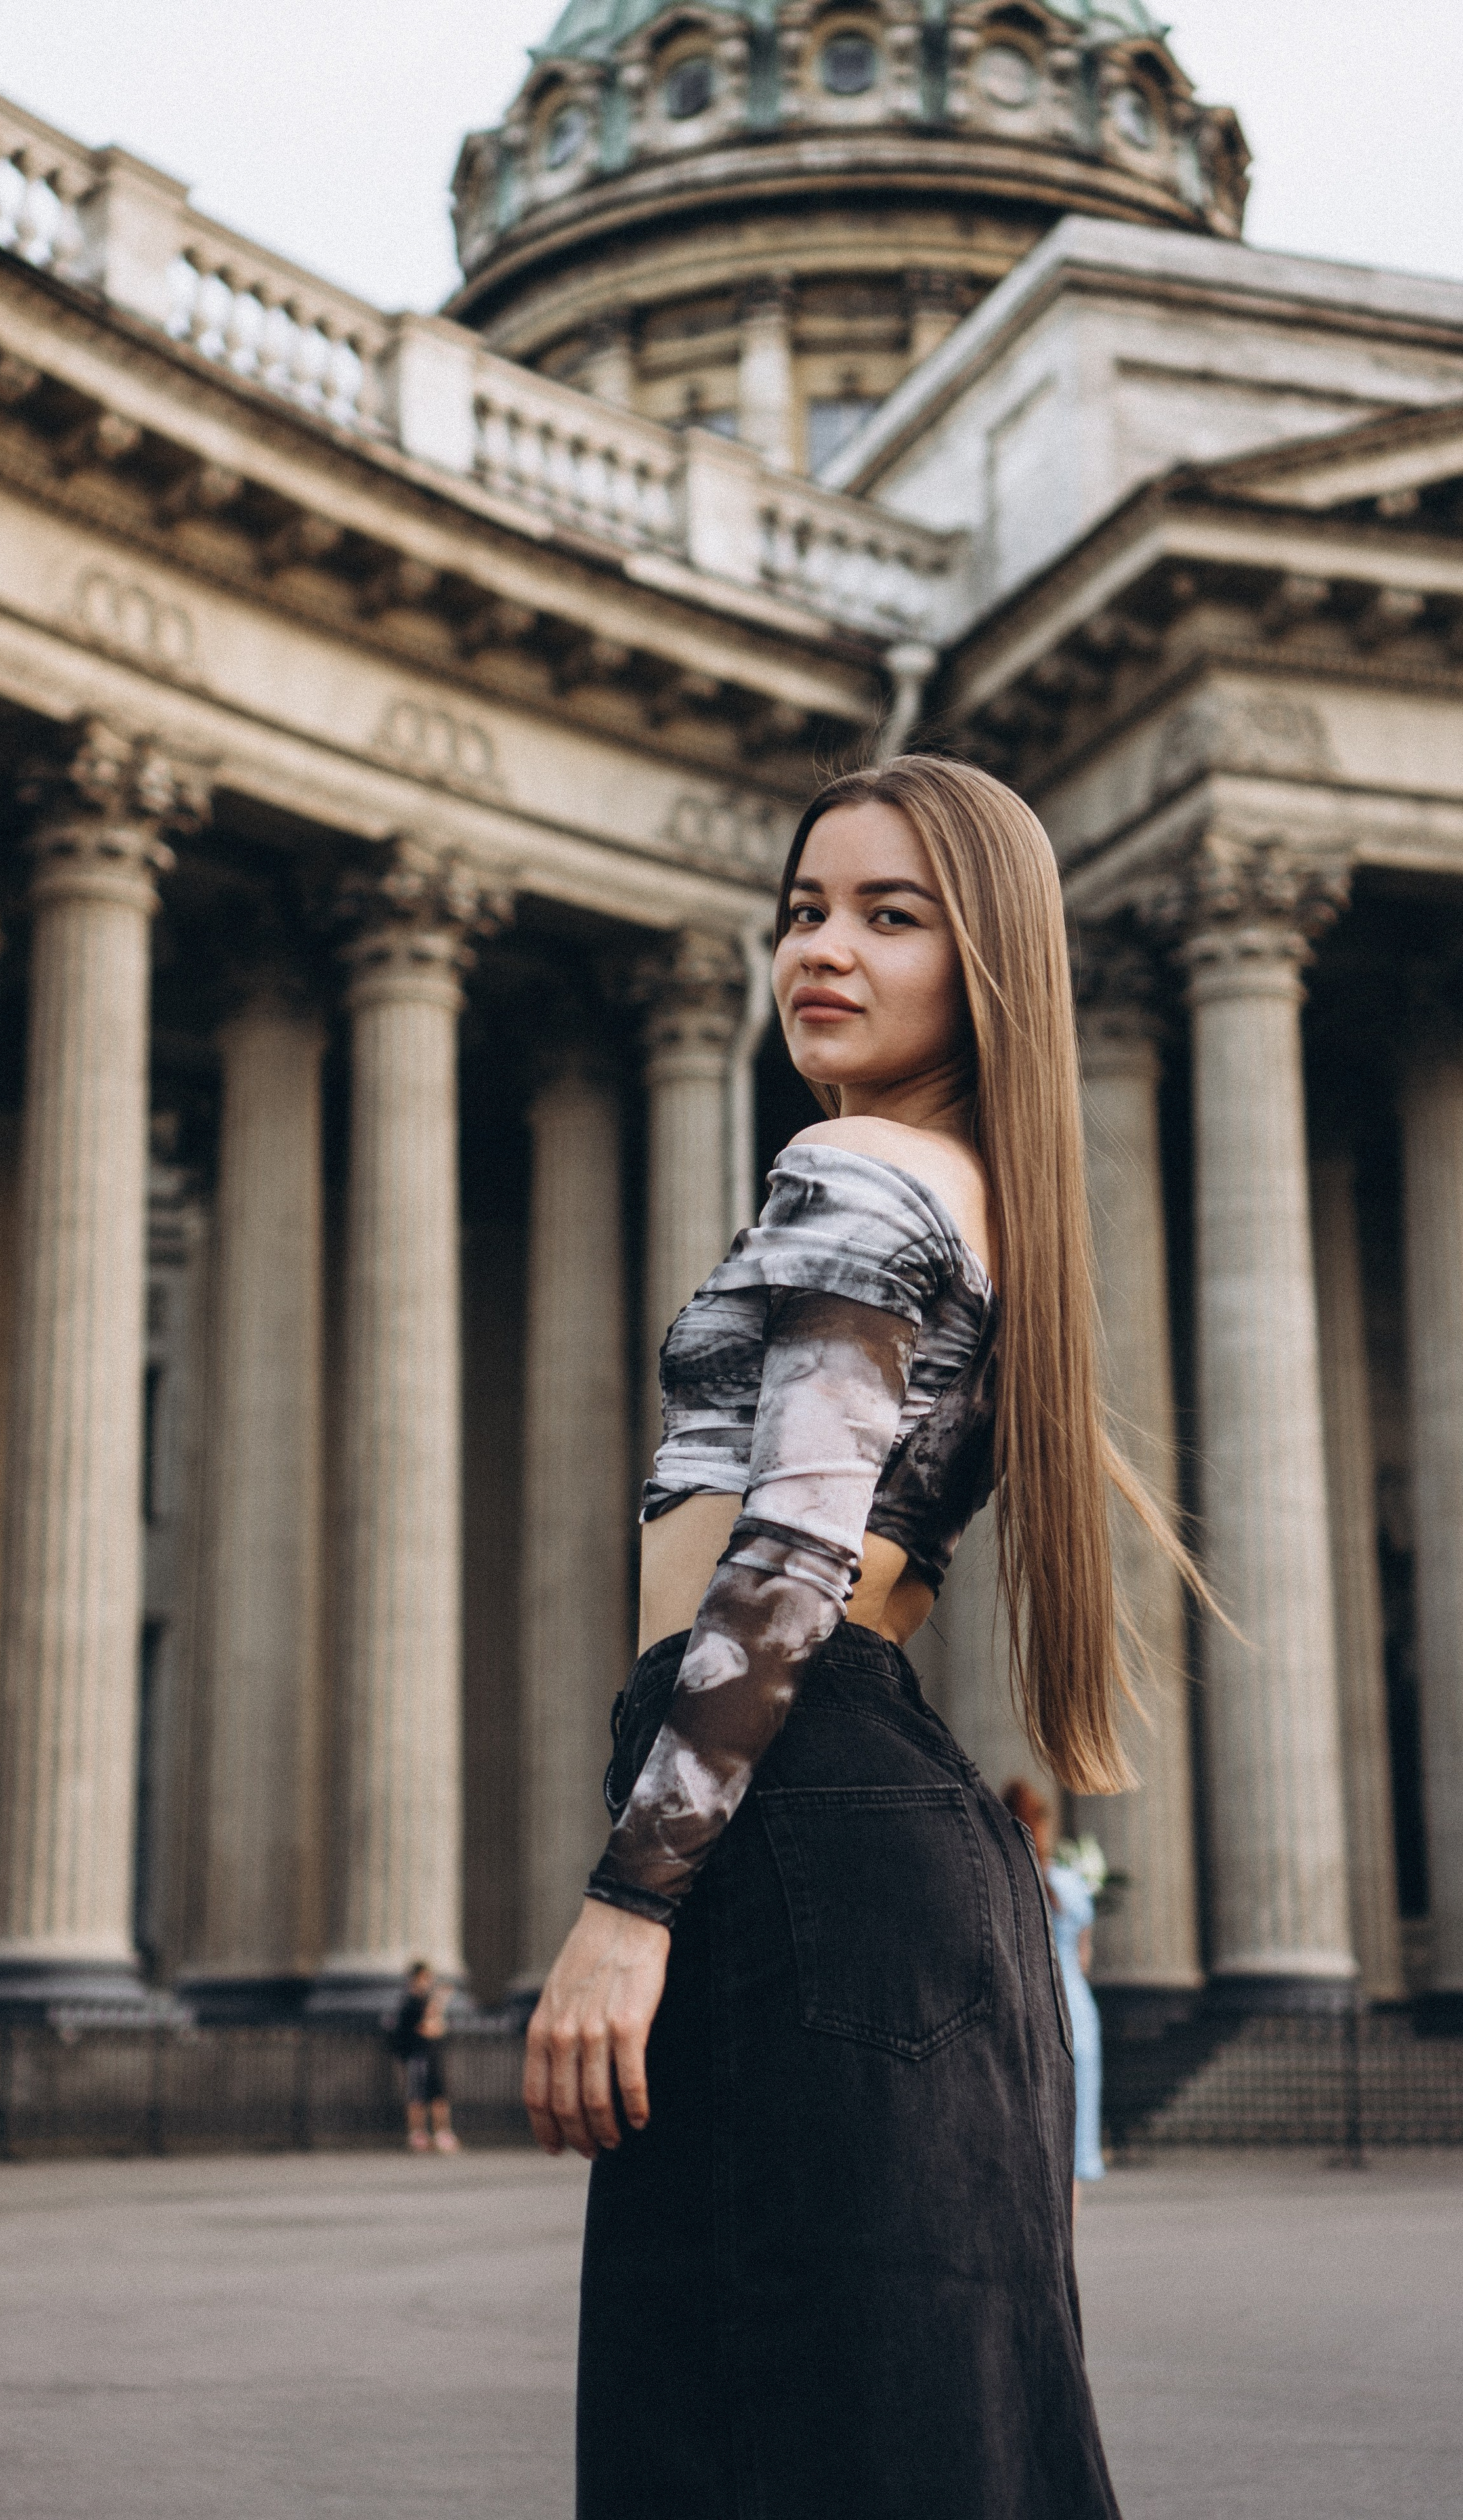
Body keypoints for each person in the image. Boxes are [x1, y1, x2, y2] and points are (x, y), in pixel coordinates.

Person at [525, 755, 1202, 2519]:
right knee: (915, 2435)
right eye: (805, 910)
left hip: (786, 1813)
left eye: (891, 916)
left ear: (984, 960)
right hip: (880, 1839)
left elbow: (797, 1552)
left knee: (745, 2437)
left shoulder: (857, 1163)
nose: (822, 950)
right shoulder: (987, 1194)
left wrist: (631, 1897)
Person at [1004, 1779, 1107, 2201]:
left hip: (1027, 2016)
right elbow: (1083, 1960)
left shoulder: (1007, 1883)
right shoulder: (1070, 1885)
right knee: (1073, 2158)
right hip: (1076, 2015)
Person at [391, 1961, 460, 2155]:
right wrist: (441, 1999)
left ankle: (442, 2133)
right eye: (425, 1978)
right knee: (417, 2096)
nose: (429, 1982)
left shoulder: (421, 2000)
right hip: (417, 2056)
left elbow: (439, 2028)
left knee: (439, 2095)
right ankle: (418, 2134)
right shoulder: (411, 2002)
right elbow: (430, 2027)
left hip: (432, 2055)